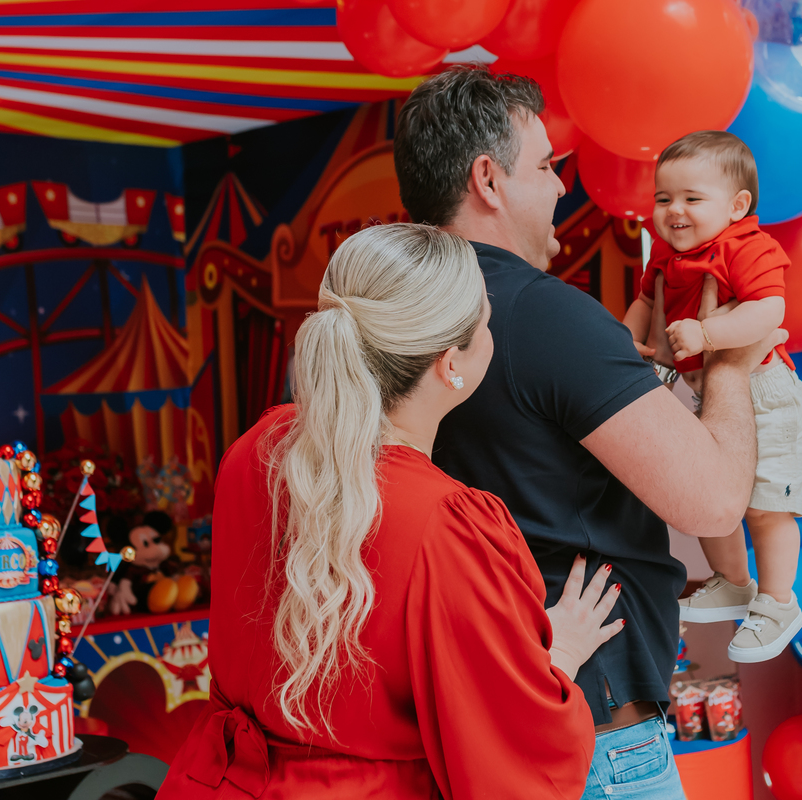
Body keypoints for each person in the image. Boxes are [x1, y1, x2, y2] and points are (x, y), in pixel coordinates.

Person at [395, 66, 786, 799]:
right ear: (488, 180)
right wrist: (730, 356)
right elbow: (712, 503)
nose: (560, 187)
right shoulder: (541, 312)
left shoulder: (391, 310)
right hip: (591, 736)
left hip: (461, 727)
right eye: (546, 166)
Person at [157, 224, 624, 800]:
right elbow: (513, 761)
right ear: (450, 364)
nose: (491, 331)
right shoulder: (446, 523)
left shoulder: (256, 449)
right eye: (486, 321)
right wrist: (560, 656)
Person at [622, 131, 802, 663]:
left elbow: (768, 312)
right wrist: (626, 338)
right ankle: (732, 580)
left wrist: (707, 335)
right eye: (663, 198)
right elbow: (646, 301)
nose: (674, 211)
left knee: (767, 506)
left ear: (737, 206)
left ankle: (778, 602)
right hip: (709, 393)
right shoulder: (665, 254)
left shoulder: (746, 247)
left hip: (764, 389)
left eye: (691, 198)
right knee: (712, 497)